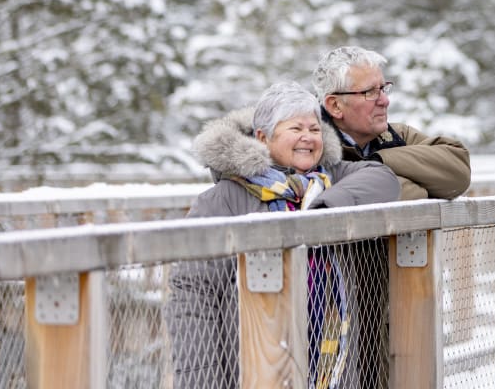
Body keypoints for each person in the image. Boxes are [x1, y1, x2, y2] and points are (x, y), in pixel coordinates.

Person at [166, 81, 400, 389]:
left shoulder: (330, 179)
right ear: (263, 137)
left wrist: (321, 213)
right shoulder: (224, 199)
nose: (307, 137)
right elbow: (193, 296)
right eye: (295, 128)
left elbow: (383, 179)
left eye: (315, 129)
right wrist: (202, 380)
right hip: (254, 368)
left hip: (332, 367)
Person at [312, 46, 472, 200]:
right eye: (370, 92)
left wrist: (378, 161)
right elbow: (411, 195)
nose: (385, 100)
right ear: (335, 105)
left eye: (383, 88)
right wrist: (416, 186)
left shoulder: (396, 136)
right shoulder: (309, 149)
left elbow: (459, 175)